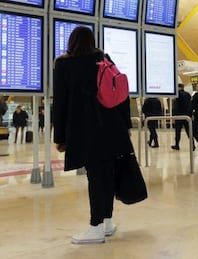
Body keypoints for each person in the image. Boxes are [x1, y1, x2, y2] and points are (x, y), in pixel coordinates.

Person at [53, 26, 134, 244]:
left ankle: (95, 227)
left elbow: (60, 103)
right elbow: (122, 93)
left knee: (96, 178)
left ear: (71, 42)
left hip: (85, 129)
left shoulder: (63, 64)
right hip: (112, 128)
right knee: (106, 174)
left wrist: (59, 137)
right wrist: (125, 126)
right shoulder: (104, 59)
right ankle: (107, 222)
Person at [171, 83, 192, 150]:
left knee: (178, 132)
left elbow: (176, 107)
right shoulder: (188, 94)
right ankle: (193, 145)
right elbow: (190, 105)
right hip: (186, 116)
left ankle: (177, 145)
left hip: (179, 116)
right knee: (189, 131)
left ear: (178, 88)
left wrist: (174, 116)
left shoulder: (177, 95)